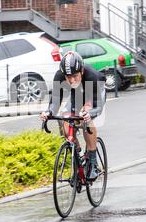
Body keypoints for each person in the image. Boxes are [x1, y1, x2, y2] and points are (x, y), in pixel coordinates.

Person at [41, 51, 106, 180]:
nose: (71, 80)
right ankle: (79, 155)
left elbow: (97, 107)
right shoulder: (59, 75)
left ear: (81, 71)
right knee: (65, 122)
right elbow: (55, 99)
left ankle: (92, 162)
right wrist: (49, 112)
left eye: (75, 76)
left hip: (93, 95)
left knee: (84, 118)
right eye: (68, 77)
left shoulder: (92, 75)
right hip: (77, 94)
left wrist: (89, 114)